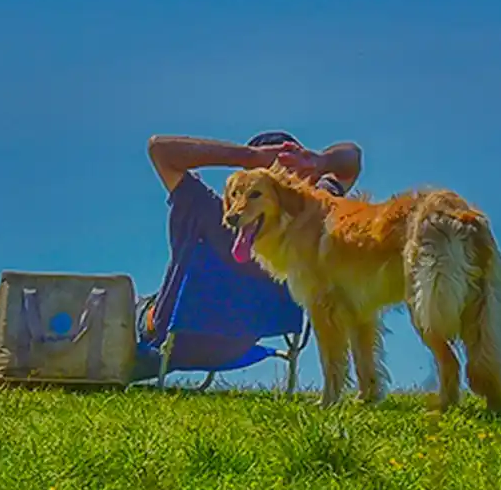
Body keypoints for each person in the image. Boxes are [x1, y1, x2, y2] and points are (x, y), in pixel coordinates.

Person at [135, 130, 362, 381]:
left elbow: (159, 149)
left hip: (165, 333)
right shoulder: (314, 216)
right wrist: (319, 162)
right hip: (234, 348)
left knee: (121, 301)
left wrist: (248, 157)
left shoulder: (212, 211)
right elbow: (352, 159)